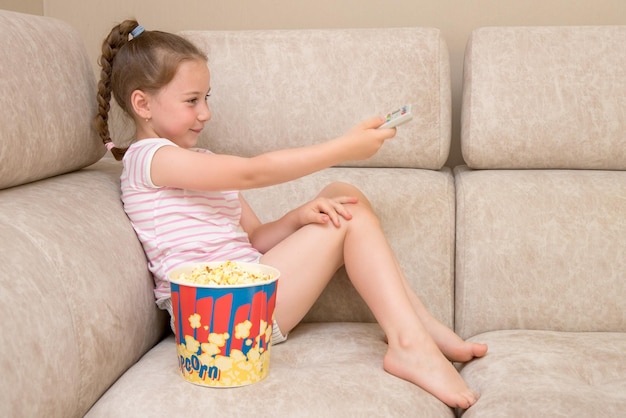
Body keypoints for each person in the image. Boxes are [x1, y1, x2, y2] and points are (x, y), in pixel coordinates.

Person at [94, 20, 487, 409]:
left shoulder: (197, 160)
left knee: (342, 195)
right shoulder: (150, 159)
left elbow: (254, 239)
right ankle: (408, 344)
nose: (206, 113)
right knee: (351, 216)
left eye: (207, 98)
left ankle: (420, 329)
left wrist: (300, 217)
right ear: (142, 104)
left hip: (245, 292)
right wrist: (342, 148)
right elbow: (254, 171)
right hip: (220, 324)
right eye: (192, 100)